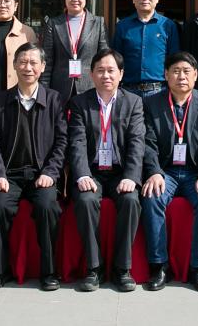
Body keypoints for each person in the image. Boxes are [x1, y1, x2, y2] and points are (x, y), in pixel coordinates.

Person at [0, 43, 68, 292]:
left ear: (42, 67)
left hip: (42, 175)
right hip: (10, 175)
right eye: (22, 62)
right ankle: (0, 271)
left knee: (47, 206)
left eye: (33, 63)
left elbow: (62, 141)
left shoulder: (53, 99)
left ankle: (49, 272)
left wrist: (50, 173)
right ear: (14, 65)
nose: (28, 67)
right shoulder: (0, 100)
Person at [140, 52, 198, 293]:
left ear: (196, 75)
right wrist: (154, 171)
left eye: (187, 71)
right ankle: (159, 266)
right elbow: (147, 143)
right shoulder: (151, 103)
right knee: (152, 196)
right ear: (166, 75)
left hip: (195, 172)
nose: (181, 76)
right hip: (165, 171)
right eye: (175, 71)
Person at [68, 49, 146, 292]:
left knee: (131, 200)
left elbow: (137, 142)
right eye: (100, 70)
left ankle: (123, 269)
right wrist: (82, 174)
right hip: (92, 171)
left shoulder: (133, 102)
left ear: (121, 74)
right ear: (91, 74)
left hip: (120, 172)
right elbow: (77, 142)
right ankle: (95, 268)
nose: (106, 76)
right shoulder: (80, 102)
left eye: (111, 70)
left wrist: (131, 177)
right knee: (85, 200)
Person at [39, 0, 109, 100]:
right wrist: (45, 92)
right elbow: (47, 61)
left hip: (90, 88)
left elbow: (104, 59)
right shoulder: (53, 24)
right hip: (59, 90)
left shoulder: (98, 23)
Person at [112, 0, 180, 97]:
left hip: (159, 91)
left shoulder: (168, 25)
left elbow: (174, 59)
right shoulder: (122, 26)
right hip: (128, 91)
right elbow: (116, 59)